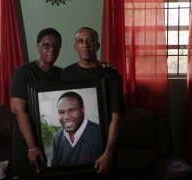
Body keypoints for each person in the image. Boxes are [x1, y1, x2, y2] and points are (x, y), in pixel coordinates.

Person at [61, 27, 125, 178]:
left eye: (90, 40)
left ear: (97, 45)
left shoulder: (111, 75)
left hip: (103, 148)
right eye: (80, 41)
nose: (85, 45)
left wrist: (108, 153)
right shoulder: (65, 74)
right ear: (75, 46)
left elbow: (116, 117)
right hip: (75, 151)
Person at [10, 27, 63, 180]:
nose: (51, 49)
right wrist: (32, 147)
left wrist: (101, 66)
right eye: (46, 45)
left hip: (51, 139)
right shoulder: (23, 72)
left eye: (55, 45)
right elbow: (18, 110)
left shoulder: (62, 74)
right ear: (38, 47)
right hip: (27, 140)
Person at [51, 91, 103, 167]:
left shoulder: (100, 134)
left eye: (72, 110)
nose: (66, 117)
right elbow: (55, 167)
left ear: (83, 110)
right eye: (61, 112)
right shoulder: (57, 137)